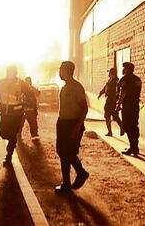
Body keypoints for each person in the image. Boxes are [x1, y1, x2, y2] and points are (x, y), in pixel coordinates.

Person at [55, 61, 90, 193]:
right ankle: (71, 180)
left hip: (72, 124)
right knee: (62, 153)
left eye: (60, 70)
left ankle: (72, 180)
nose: (59, 72)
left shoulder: (76, 87)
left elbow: (84, 109)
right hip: (63, 123)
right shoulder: (65, 86)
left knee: (67, 153)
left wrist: (77, 128)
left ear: (66, 71)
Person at [0, 65, 27, 166]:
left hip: (17, 114)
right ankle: (12, 142)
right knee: (3, 133)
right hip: (5, 113)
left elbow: (29, 93)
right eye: (9, 72)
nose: (10, 74)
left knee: (12, 134)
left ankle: (9, 156)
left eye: (12, 72)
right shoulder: (1, 82)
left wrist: (27, 102)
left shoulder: (20, 83)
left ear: (15, 73)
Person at [116, 62, 142, 156]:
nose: (123, 70)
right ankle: (135, 147)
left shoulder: (125, 79)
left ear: (127, 69)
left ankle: (133, 147)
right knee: (134, 126)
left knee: (127, 126)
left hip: (127, 107)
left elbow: (123, 92)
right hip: (135, 106)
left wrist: (118, 104)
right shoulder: (137, 79)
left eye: (124, 68)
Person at [98, 68, 124, 137]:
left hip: (112, 101)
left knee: (114, 116)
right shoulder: (110, 80)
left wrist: (117, 101)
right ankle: (110, 131)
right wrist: (101, 93)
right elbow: (105, 88)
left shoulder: (117, 81)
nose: (108, 74)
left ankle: (121, 127)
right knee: (108, 116)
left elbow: (118, 92)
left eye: (109, 73)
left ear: (112, 73)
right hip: (109, 101)